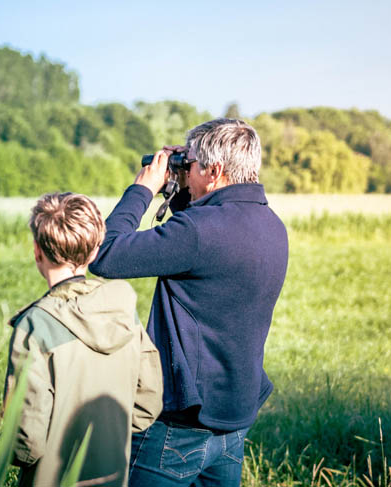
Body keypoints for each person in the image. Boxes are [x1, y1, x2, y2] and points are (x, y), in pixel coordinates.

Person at [89, 118, 289, 487]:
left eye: (191, 165)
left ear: (214, 171)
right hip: (232, 420)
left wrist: (143, 189)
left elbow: (105, 255)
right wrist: (183, 187)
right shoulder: (271, 225)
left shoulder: (197, 233)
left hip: (179, 427)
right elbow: (200, 240)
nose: (186, 171)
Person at [4, 192, 163, 487]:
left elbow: (26, 441)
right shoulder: (125, 314)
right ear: (94, 252)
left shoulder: (35, 325)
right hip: (112, 475)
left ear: (37, 251)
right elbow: (148, 405)